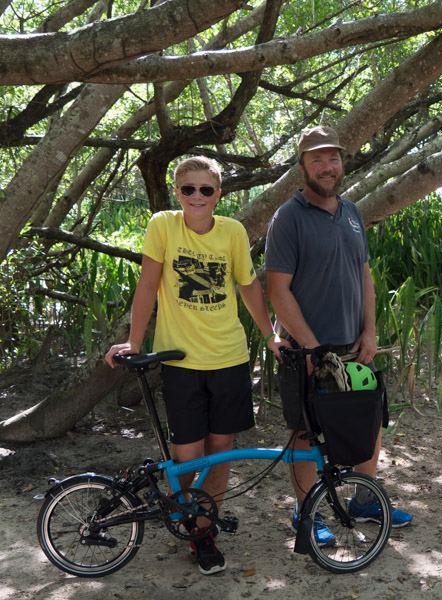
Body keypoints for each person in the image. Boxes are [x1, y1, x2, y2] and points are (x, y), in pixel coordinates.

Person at [105, 156, 282, 575]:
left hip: (229, 358)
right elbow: (147, 284)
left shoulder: (233, 232)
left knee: (219, 454)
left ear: (218, 195)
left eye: (206, 190)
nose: (197, 197)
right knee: (187, 456)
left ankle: (204, 533)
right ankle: (188, 519)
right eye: (189, 189)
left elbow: (248, 287)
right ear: (177, 193)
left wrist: (270, 335)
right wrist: (134, 341)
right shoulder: (163, 226)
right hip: (180, 361)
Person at [264, 125, 412, 547]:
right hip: (304, 352)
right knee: (305, 431)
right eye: (317, 159)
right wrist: (311, 347)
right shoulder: (288, 217)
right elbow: (277, 290)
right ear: (302, 167)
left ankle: (366, 500)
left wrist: (370, 330)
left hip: (351, 347)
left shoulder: (351, 212)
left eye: (333, 158)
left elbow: (364, 275)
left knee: (367, 421)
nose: (327, 167)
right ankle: (305, 512)